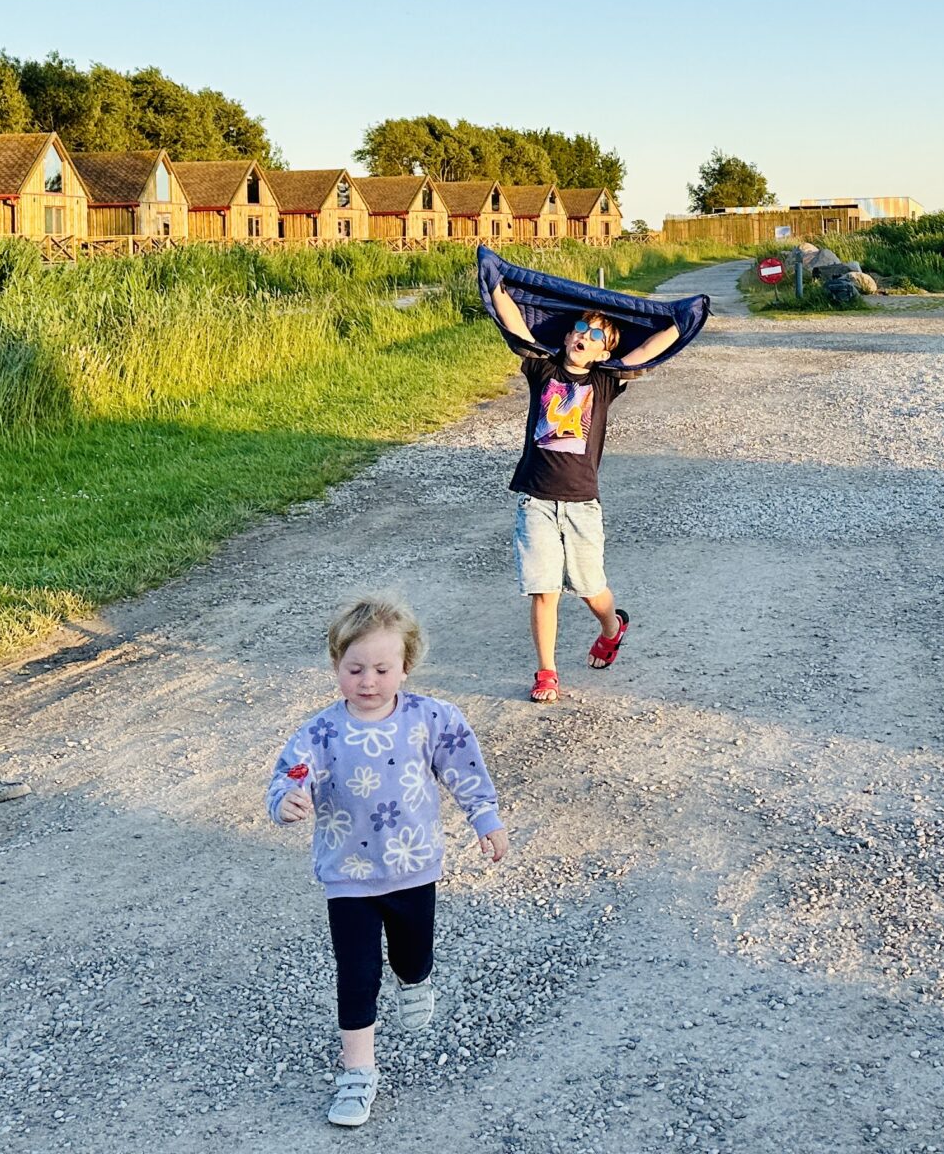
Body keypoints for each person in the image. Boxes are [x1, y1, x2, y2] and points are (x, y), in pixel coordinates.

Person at [267, 594, 507, 1130]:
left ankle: (415, 979)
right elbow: (287, 777)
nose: (368, 681)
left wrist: (485, 817)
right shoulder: (320, 733)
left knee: (411, 953)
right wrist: (286, 801)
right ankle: (358, 1070)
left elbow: (463, 768)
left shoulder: (432, 719)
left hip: (413, 867)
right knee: (356, 974)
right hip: (347, 875)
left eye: (381, 669)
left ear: (405, 667)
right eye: (354, 669)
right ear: (336, 666)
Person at [487, 274, 681, 703]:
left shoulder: (606, 382)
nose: (584, 336)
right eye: (580, 329)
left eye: (595, 335)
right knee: (544, 588)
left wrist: (678, 324)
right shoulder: (543, 369)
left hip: (581, 504)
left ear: (604, 351)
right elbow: (516, 328)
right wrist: (497, 287)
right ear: (568, 334)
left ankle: (612, 628)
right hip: (536, 498)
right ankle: (547, 672)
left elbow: (645, 351)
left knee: (591, 589)